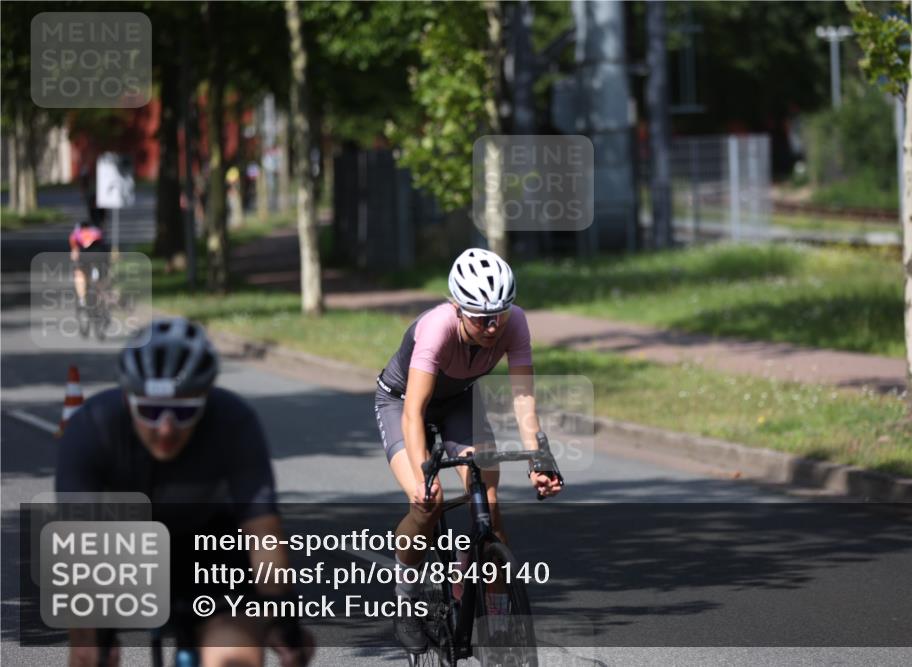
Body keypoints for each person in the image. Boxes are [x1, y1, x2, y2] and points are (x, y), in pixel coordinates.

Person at [57, 318, 312, 667]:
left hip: (212, 548)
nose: (165, 429)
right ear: (128, 400)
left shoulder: (234, 422)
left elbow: (263, 536)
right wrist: (94, 636)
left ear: (205, 399)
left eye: (183, 412)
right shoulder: (91, 427)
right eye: (150, 411)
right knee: (88, 653)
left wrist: (285, 620)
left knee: (234, 658)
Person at [374, 248, 563, 652]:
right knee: (428, 503)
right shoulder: (436, 329)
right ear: (457, 308)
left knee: (490, 505)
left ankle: (494, 619)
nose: (492, 326)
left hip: (460, 402)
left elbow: (523, 399)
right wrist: (425, 475)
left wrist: (539, 459)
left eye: (500, 314)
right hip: (402, 402)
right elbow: (413, 412)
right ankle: (405, 600)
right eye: (480, 317)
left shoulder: (516, 324)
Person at [68, 219, 106, 308]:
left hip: (85, 255)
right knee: (101, 277)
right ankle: (101, 296)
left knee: (79, 274)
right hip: (99, 255)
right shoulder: (97, 231)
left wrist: (74, 260)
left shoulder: (76, 234)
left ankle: (82, 299)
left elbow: (75, 252)